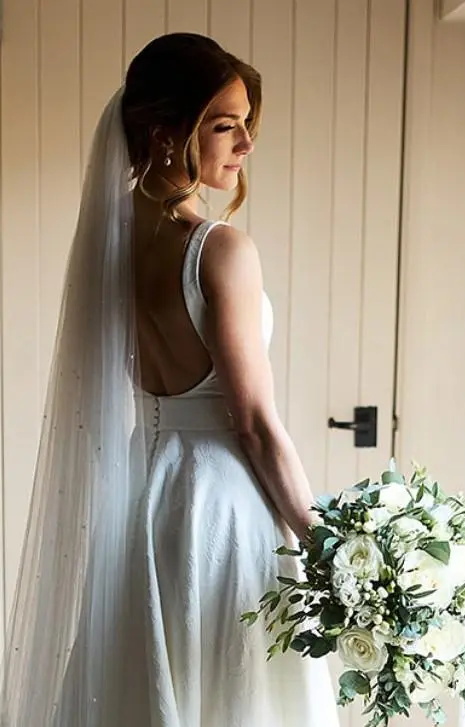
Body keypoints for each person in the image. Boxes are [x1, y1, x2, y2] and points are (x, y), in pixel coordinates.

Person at [1, 33, 340, 726]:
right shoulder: (219, 249)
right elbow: (253, 424)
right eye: (225, 125)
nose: (246, 143)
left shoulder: (112, 236)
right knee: (229, 684)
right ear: (166, 133)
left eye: (248, 122)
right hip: (218, 501)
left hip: (144, 487)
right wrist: (326, 543)